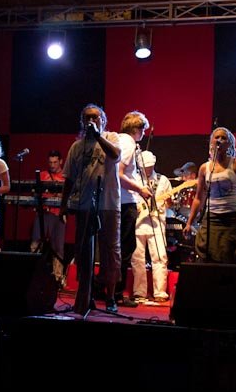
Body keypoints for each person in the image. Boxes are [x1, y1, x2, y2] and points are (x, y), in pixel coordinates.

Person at [60, 104, 121, 314]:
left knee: (110, 251)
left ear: (103, 120)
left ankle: (111, 296)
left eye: (96, 117)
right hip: (84, 204)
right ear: (82, 121)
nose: (91, 121)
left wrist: (97, 136)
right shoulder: (77, 147)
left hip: (109, 204)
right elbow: (69, 178)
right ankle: (85, 296)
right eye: (87, 118)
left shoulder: (112, 138)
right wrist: (63, 205)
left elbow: (115, 155)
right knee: (83, 251)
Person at [183, 126, 236, 265]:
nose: (219, 140)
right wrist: (189, 223)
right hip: (213, 218)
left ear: (229, 143)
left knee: (235, 256)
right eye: (216, 137)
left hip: (234, 217)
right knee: (211, 255)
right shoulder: (205, 168)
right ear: (211, 142)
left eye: (223, 138)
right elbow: (198, 198)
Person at [114, 111, 153, 308]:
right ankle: (117, 293)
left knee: (117, 248)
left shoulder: (116, 140)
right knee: (125, 249)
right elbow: (119, 173)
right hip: (125, 202)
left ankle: (110, 290)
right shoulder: (128, 144)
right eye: (143, 130)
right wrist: (140, 189)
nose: (144, 134)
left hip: (116, 201)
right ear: (136, 129)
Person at [131, 150, 171, 303]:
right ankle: (139, 292)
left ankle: (160, 292)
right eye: (145, 167)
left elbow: (169, 204)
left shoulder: (163, 180)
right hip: (138, 223)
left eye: (150, 166)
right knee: (137, 259)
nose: (148, 169)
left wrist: (168, 200)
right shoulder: (134, 180)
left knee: (159, 257)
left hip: (156, 224)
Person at [30, 150, 67, 287]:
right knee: (35, 244)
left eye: (55, 162)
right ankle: (33, 274)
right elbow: (34, 193)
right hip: (43, 213)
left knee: (58, 247)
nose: (52, 165)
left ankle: (57, 277)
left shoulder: (65, 176)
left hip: (58, 214)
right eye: (50, 162)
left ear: (61, 161)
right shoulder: (43, 175)